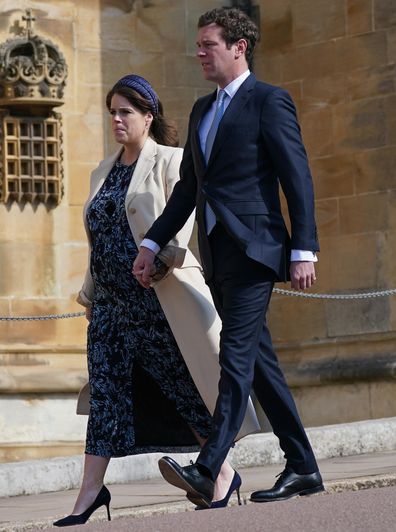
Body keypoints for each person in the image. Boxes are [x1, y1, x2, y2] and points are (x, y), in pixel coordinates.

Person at [133, 7, 324, 509]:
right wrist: (152, 242)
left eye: (207, 44)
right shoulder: (201, 109)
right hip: (218, 255)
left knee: (235, 359)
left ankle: (209, 466)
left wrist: (304, 249)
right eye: (197, 44)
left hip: (257, 250)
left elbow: (296, 177)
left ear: (239, 47)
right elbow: (189, 189)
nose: (199, 52)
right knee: (259, 365)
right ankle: (303, 465)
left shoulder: (269, 101)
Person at [53, 74, 260, 527]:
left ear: (149, 116)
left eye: (126, 111)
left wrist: (162, 258)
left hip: (155, 301)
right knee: (106, 395)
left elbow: (180, 220)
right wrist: (88, 292)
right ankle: (89, 493)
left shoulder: (171, 160)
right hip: (109, 307)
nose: (117, 119)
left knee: (182, 389)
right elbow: (98, 236)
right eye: (112, 111)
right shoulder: (101, 171)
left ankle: (221, 472)